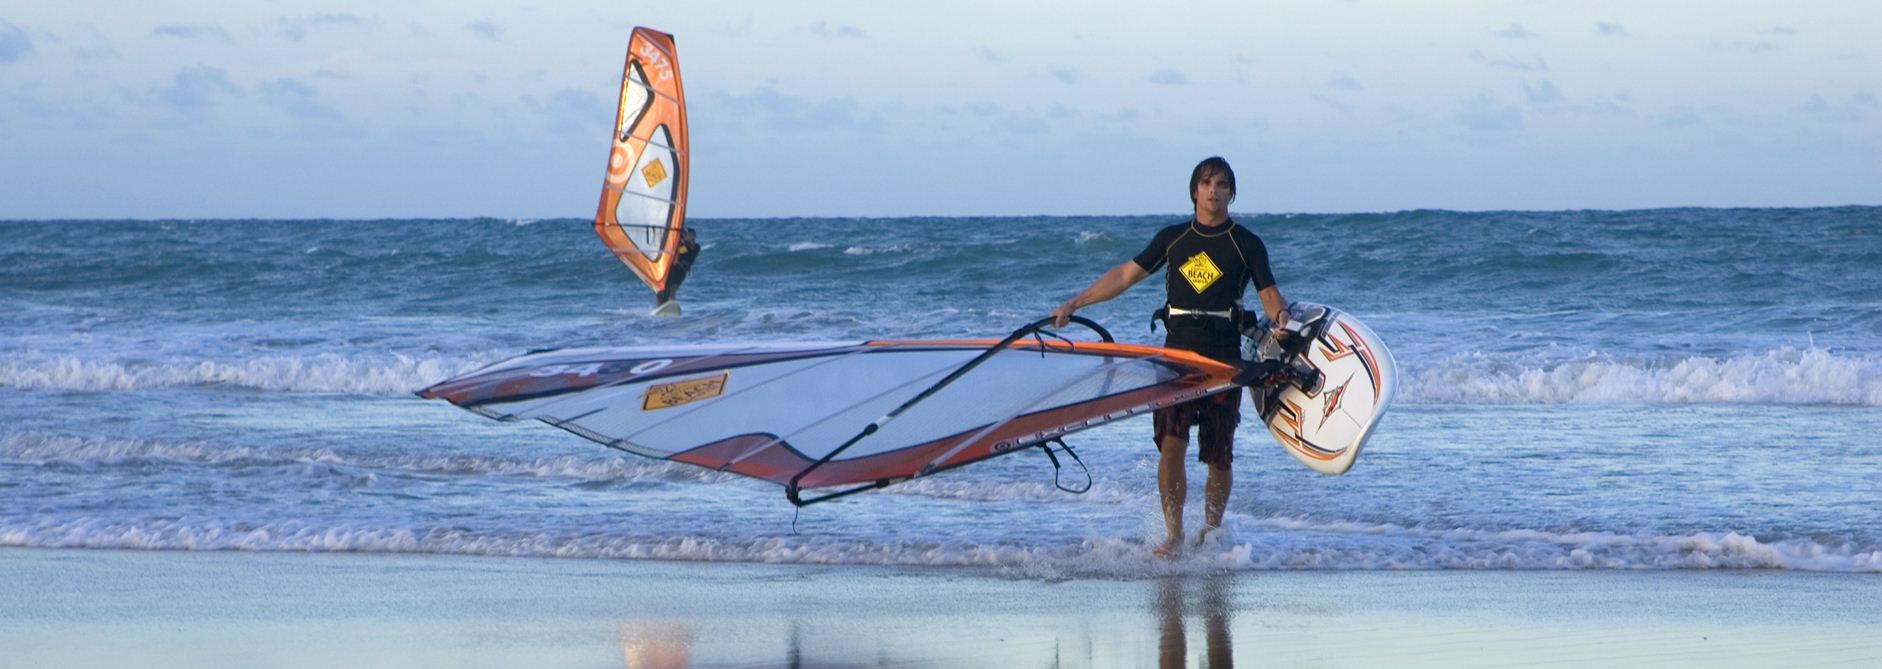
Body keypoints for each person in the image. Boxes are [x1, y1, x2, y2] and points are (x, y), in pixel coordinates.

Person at [1049, 156, 1290, 558]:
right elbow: (1125, 276)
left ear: (1232, 192)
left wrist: (1281, 320)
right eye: (1207, 183)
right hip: (1177, 356)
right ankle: (1174, 536)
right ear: (1194, 190)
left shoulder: (1245, 243)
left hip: (1224, 363)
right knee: (1172, 444)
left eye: (1223, 184)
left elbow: (1269, 297)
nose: (1214, 191)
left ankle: (1210, 534)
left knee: (1219, 455)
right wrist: (1076, 303)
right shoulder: (1174, 239)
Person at [654, 227, 700, 307]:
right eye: (690, 235)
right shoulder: (680, 244)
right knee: (663, 289)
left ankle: (671, 304)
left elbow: (690, 248)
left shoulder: (696, 247)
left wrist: (682, 240)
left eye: (693, 235)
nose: (692, 237)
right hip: (673, 268)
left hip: (682, 271)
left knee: (673, 288)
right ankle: (661, 306)